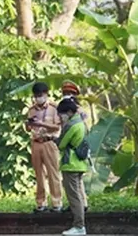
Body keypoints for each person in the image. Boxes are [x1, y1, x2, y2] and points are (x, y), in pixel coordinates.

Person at [25, 82, 63, 212]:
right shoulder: (31, 110)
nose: (37, 98)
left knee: (53, 173)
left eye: (40, 95)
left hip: (49, 142)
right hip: (36, 143)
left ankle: (57, 202)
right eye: (35, 96)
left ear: (46, 94)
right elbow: (28, 128)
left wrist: (42, 124)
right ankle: (41, 203)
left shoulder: (54, 108)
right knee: (39, 174)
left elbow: (57, 126)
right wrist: (29, 125)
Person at [57, 99, 88, 236]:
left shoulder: (71, 125)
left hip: (71, 164)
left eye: (62, 114)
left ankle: (79, 226)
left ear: (69, 112)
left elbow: (62, 144)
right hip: (80, 163)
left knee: (74, 197)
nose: (61, 117)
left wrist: (52, 138)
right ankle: (79, 225)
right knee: (78, 196)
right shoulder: (82, 122)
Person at [61, 81, 89, 213]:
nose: (67, 95)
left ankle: (81, 205)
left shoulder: (79, 112)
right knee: (75, 183)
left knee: (76, 182)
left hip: (75, 148)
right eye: (65, 93)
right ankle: (79, 205)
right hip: (70, 146)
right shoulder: (63, 109)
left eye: (70, 93)